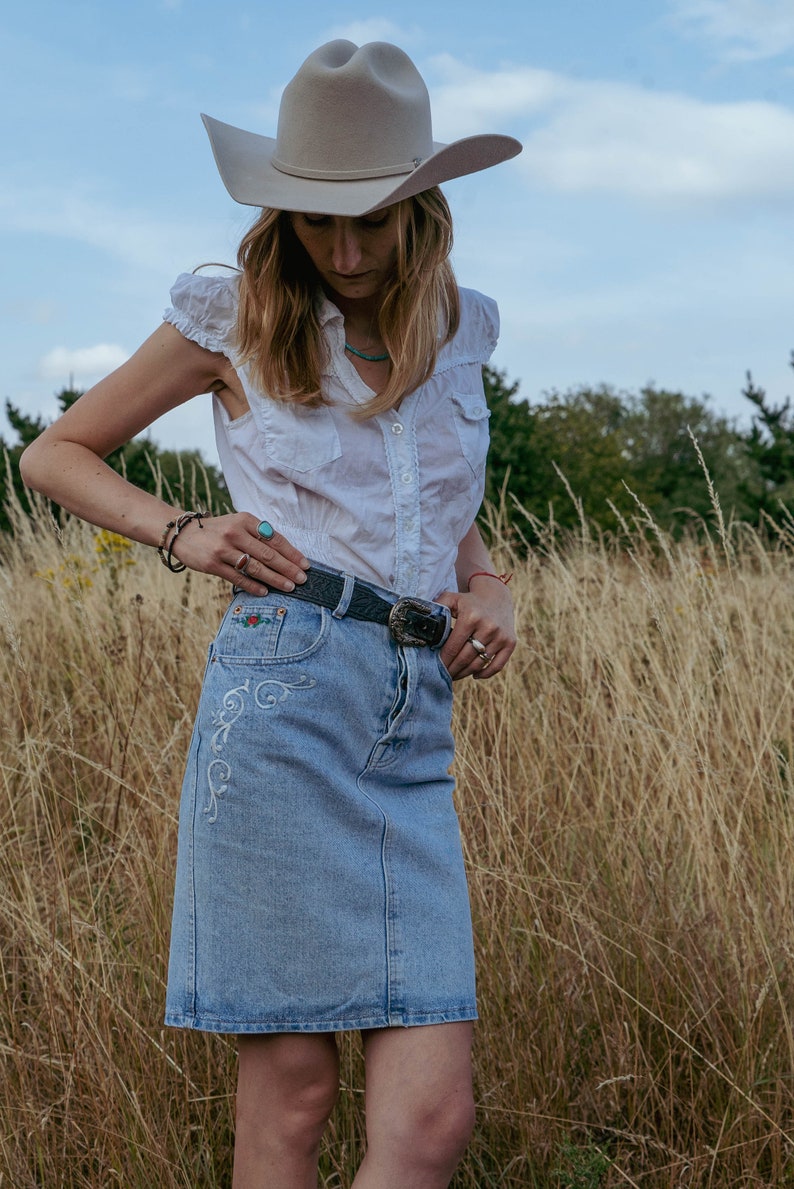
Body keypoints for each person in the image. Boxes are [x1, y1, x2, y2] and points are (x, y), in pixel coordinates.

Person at [21, 39, 521, 1189]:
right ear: (279, 215)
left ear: (421, 209)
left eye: (370, 222)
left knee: (433, 1120)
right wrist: (182, 533)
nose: (343, 252)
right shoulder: (229, 316)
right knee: (291, 1099)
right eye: (313, 221)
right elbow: (56, 453)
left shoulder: (464, 332)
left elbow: (440, 517)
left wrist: (487, 586)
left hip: (412, 716)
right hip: (282, 692)